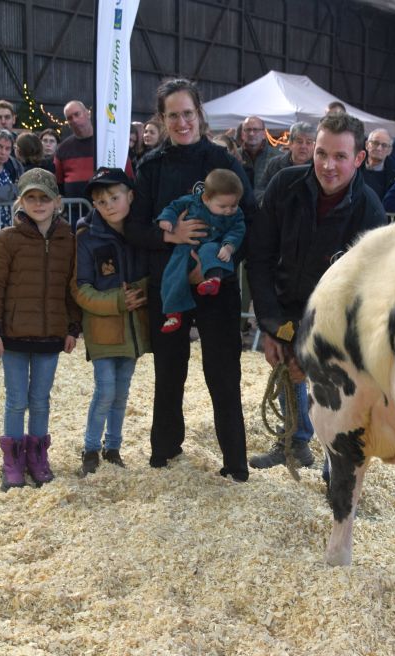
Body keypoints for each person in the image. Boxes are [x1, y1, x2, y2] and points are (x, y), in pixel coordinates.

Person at [124, 77, 256, 481]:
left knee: (223, 373)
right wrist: (171, 235)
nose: (181, 123)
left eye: (187, 113)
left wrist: (219, 264)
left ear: (198, 113)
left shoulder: (224, 162)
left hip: (216, 286)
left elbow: (250, 221)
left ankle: (235, 463)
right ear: (162, 119)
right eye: (172, 116)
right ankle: (164, 452)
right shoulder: (151, 166)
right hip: (168, 284)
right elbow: (134, 227)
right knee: (169, 370)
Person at [246, 112, 387, 470]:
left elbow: (363, 295)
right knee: (287, 373)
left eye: (340, 156)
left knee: (337, 393)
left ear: (359, 158)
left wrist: (313, 353)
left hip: (337, 324)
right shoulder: (285, 185)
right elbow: (260, 256)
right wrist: (271, 325)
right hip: (287, 305)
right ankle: (294, 443)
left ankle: (335, 470)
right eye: (321, 153)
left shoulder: (370, 211)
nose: (327, 165)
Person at [0, 168, 80, 489]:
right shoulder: (6, 239)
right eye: (31, 197)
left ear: (57, 202)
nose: (39, 204)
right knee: (16, 399)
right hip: (14, 334)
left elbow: (72, 288)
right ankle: (12, 460)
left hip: (51, 335)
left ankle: (37, 456)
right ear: (21, 202)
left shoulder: (68, 241)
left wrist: (72, 328)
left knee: (40, 399)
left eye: (44, 197)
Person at [74, 167, 150, 476]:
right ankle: (91, 449)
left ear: (130, 196)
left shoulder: (141, 231)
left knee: (122, 391)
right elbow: (81, 288)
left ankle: (113, 447)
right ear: (94, 204)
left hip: (132, 328)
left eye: (114, 198)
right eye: (101, 201)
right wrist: (119, 300)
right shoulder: (86, 237)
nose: (109, 206)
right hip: (102, 328)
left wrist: (141, 292)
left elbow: (152, 272)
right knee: (105, 390)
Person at [156, 168, 246, 334]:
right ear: (206, 199)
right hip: (185, 247)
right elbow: (173, 207)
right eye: (223, 206)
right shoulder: (191, 201)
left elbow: (238, 230)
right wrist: (166, 220)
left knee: (213, 251)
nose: (229, 210)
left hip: (212, 245)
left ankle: (214, 280)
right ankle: (173, 313)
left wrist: (228, 246)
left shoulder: (236, 214)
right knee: (173, 274)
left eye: (234, 205)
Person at [260, 122, 314, 189]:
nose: (303, 146)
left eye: (308, 142)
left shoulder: (317, 167)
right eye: (299, 142)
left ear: (314, 146)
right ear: (290, 144)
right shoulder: (274, 164)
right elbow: (260, 189)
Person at [237, 116, 275, 199]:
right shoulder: (234, 156)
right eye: (248, 130)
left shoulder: (277, 157)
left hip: (267, 204)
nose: (251, 133)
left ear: (264, 134)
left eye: (256, 130)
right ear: (242, 134)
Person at [359, 127, 394, 199]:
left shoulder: (393, 179)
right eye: (375, 143)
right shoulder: (353, 169)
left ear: (389, 151)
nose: (379, 148)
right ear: (367, 145)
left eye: (384, 145)